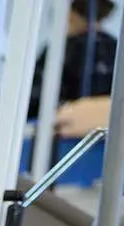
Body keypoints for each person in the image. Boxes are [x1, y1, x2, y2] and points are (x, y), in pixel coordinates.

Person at [42, 0, 118, 132]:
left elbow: (34, 97)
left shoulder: (63, 50)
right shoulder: (117, 51)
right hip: (106, 140)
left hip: (65, 136)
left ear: (72, 16)